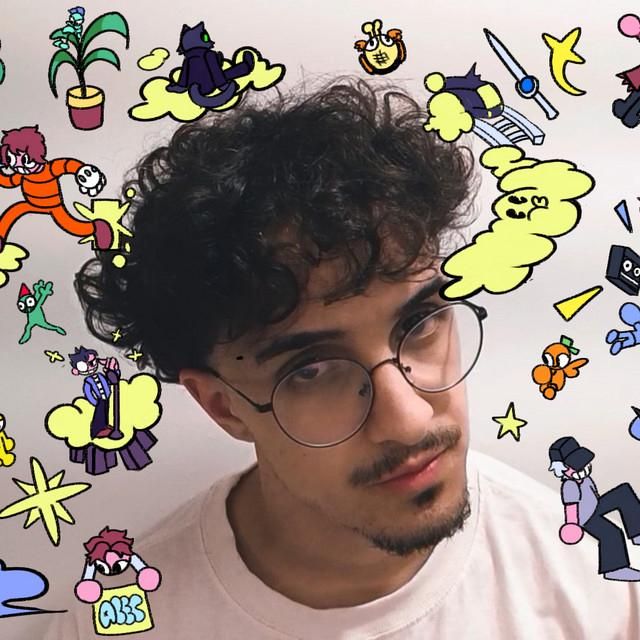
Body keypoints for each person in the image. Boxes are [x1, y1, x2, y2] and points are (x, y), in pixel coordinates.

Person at [46, 78, 640, 639]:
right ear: (223, 406)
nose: (409, 420)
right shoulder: (122, 616)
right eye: (310, 371)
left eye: (421, 322)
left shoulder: (596, 581)